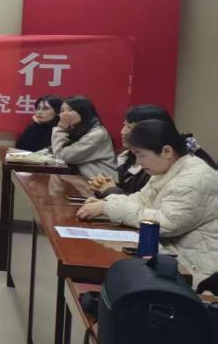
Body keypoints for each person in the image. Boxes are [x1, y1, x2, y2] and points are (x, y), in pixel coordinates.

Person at [77, 118, 218, 286]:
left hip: (195, 270)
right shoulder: (169, 169)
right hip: (171, 257)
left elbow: (167, 224)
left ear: (167, 151)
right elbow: (141, 199)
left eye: (141, 155)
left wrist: (108, 208)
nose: (138, 162)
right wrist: (107, 202)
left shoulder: (193, 179)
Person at [89, 104, 213, 198]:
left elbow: (149, 207)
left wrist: (110, 191)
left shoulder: (164, 164)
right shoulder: (129, 157)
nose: (123, 132)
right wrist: (104, 187)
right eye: (124, 125)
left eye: (130, 127)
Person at [50, 95, 116, 179]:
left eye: (70, 110)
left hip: (102, 182)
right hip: (84, 179)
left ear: (83, 111)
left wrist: (60, 130)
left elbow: (62, 157)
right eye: (62, 111)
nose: (65, 114)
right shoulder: (77, 130)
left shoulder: (97, 134)